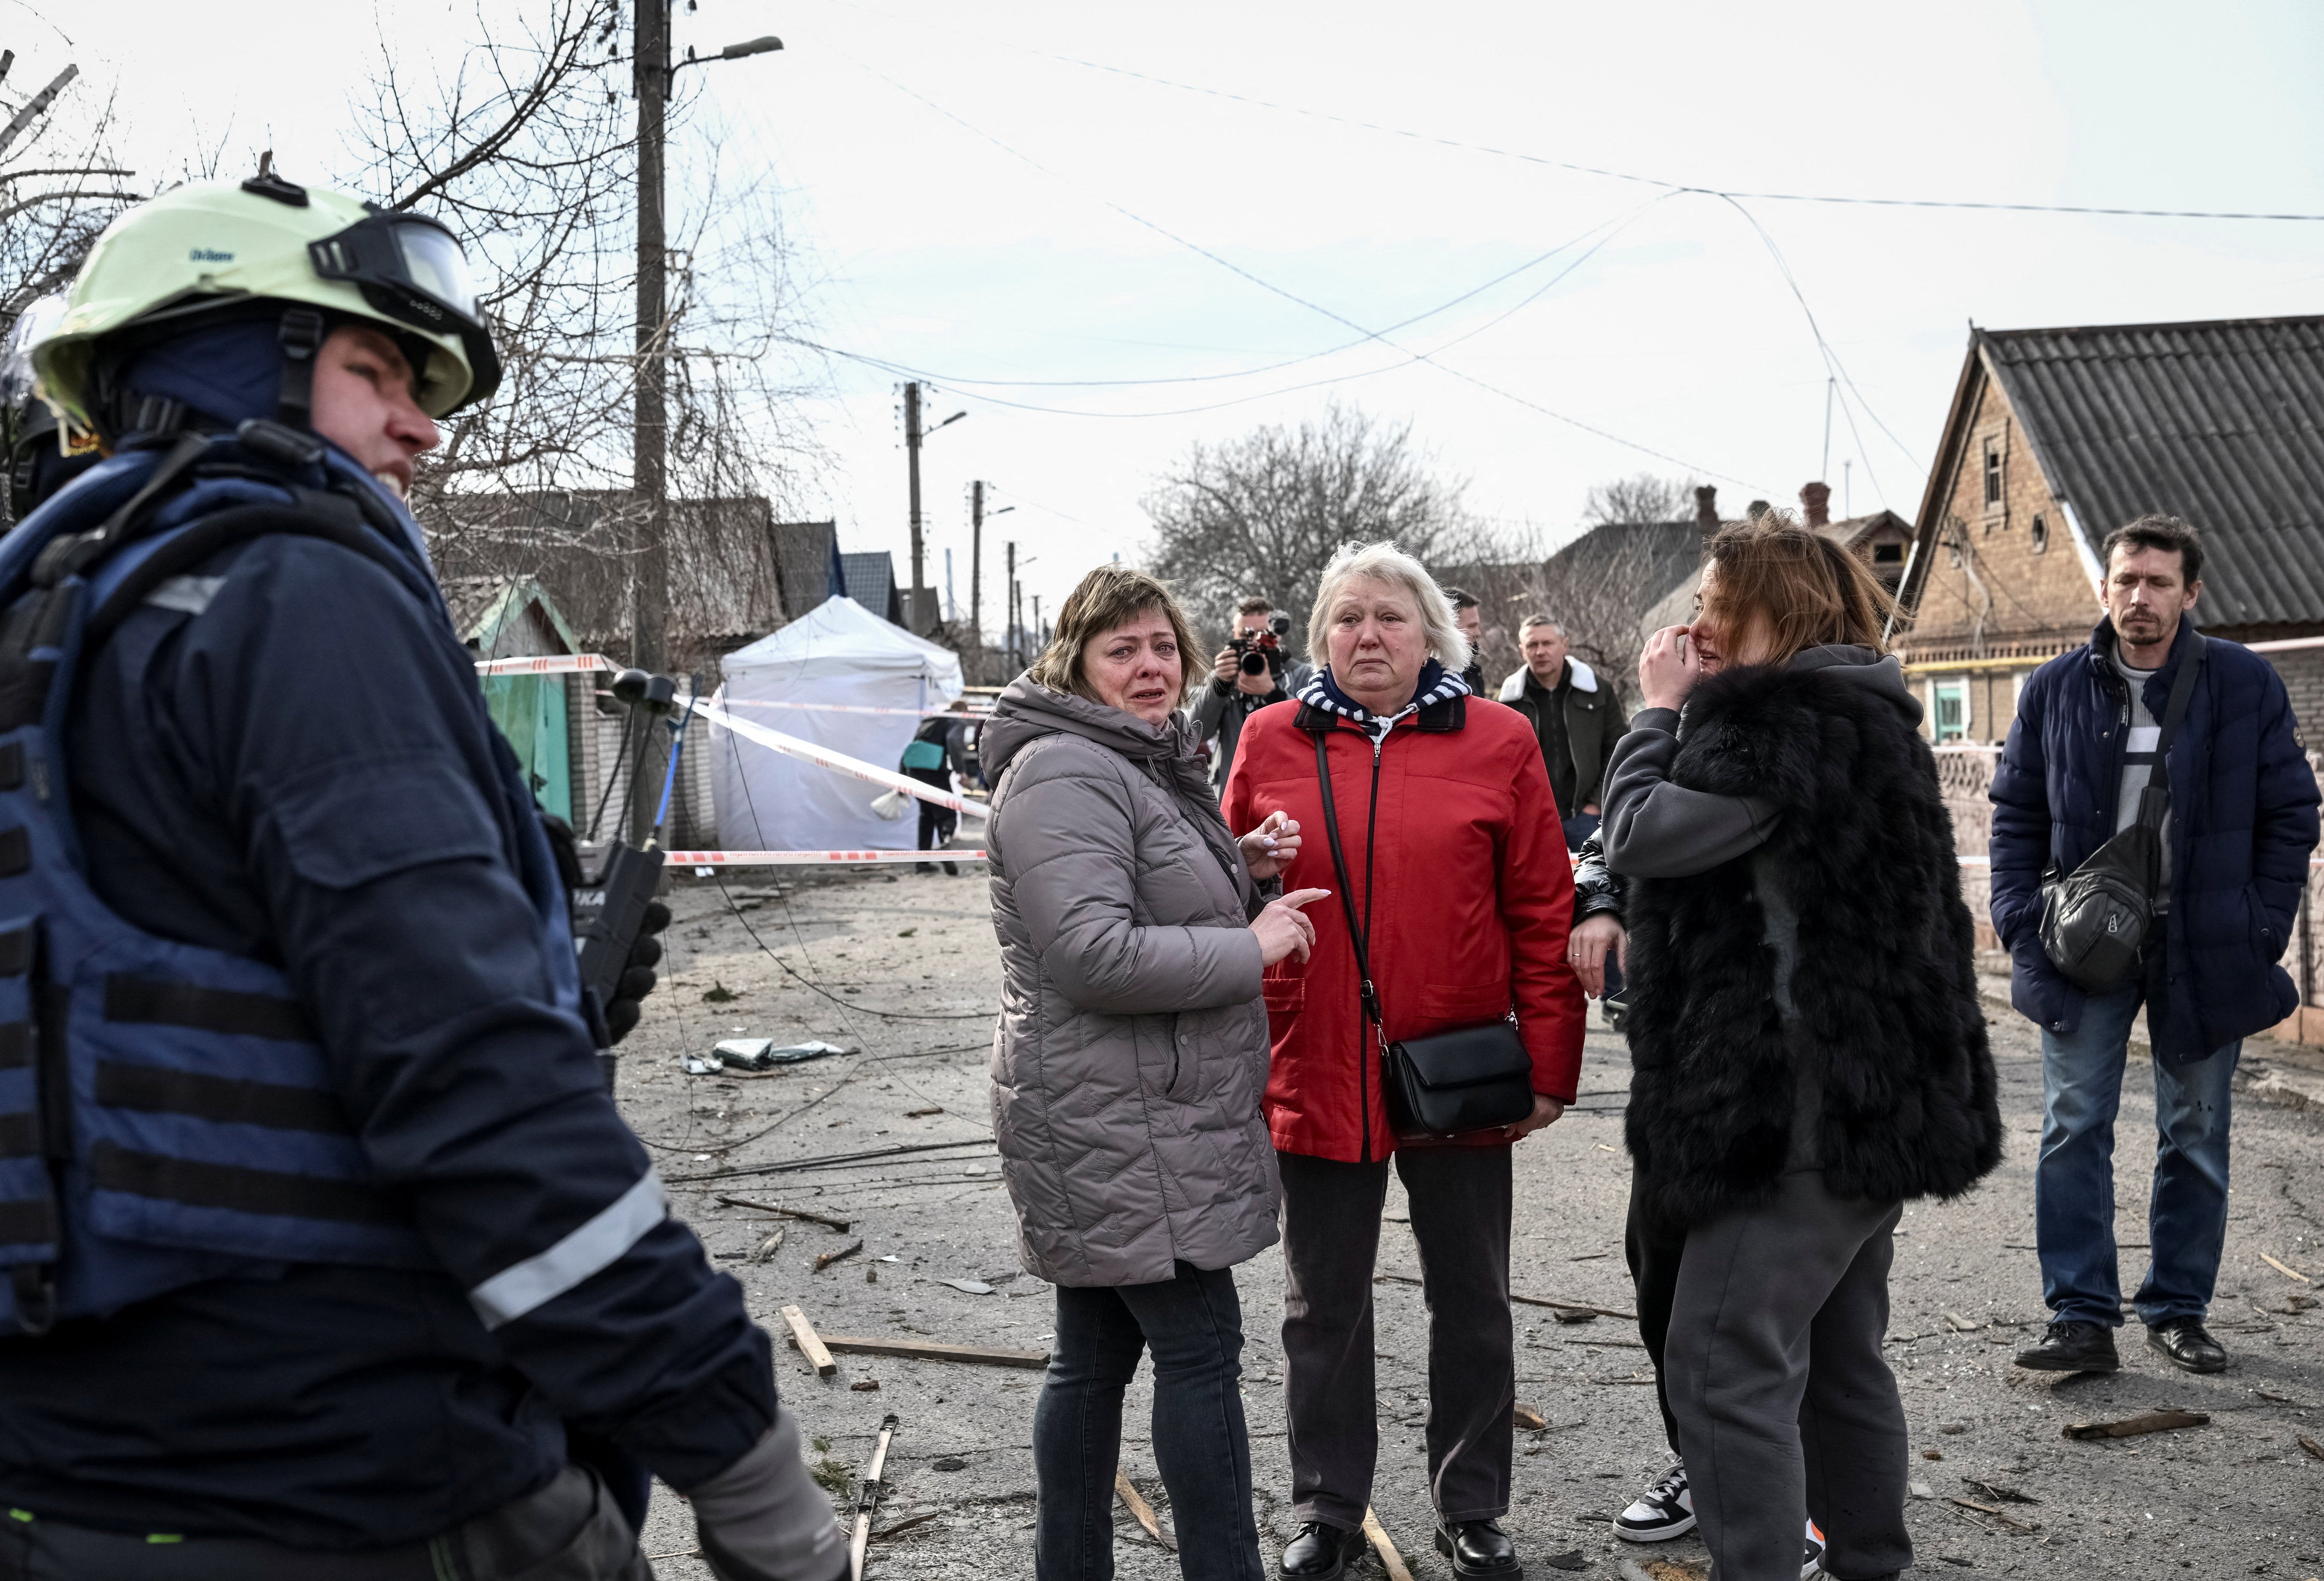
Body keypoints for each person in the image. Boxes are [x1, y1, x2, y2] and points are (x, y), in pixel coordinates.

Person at [0, 179, 840, 1580]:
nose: (425, 428)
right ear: (231, 360)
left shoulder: (50, 622)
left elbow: (143, 1009)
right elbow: (477, 1093)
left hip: (68, 1487)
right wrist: (744, 1463)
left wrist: (552, 980)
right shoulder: (294, 591)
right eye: (375, 370)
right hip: (356, 1478)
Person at [1602, 514, 2002, 1581]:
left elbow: (1639, 832)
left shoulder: (1785, 721)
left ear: (1774, 609)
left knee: (1722, 1363)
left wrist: (1655, 711)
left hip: (1793, 1109)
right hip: (1873, 1097)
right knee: (1834, 1358)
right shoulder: (1873, 712)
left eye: (1720, 604)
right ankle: (1866, 1559)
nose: (1702, 625)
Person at [1222, 541, 1584, 1581]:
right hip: (1315, 1059)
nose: (1367, 636)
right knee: (1320, 1304)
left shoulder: (1499, 739)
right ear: (1319, 636)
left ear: (1434, 632)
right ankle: (1329, 1509)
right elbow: (1224, 901)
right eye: (1346, 618)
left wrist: (1551, 1062)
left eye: (1389, 616)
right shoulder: (1267, 738)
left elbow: (1540, 907)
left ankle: (1472, 1504)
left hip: (1457, 1064)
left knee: (1472, 1296)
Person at [981, 563, 1328, 1581]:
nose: (1149, 667)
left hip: (1125, 1105)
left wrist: (1237, 860)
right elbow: (1090, 952)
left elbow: (1136, 881)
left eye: (1162, 646)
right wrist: (1254, 944)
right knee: (1198, 1352)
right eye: (1120, 649)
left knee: (1091, 1360)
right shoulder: (1062, 770)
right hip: (1118, 1116)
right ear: (1074, 662)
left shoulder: (1124, 761)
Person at [1992, 515, 2319, 1378]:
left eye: (2158, 583)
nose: (2140, 598)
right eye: (2126, 581)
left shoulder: (2243, 684)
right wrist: (2021, 919)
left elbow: (2291, 812)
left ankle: (2178, 1309)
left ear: (2190, 592)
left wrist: (2259, 923)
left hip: (2206, 943)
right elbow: (2016, 814)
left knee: (2195, 1133)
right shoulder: (2054, 688)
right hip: (2084, 943)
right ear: (2103, 588)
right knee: (2072, 1127)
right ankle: (2079, 1316)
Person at [1496, 615, 1623, 847]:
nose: (1540, 651)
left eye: (1548, 643)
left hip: (1587, 817)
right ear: (1522, 651)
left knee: (1591, 882)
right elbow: (1501, 764)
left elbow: (1617, 748)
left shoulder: (1597, 690)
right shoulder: (1509, 702)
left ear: (1564, 645)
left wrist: (1597, 804)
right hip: (1533, 821)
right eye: (1533, 645)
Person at [1193, 596, 1296, 793]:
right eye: (1246, 635)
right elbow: (1196, 734)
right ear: (1235, 635)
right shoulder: (1225, 676)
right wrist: (1220, 684)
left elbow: (1310, 732)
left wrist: (1272, 693)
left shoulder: (1299, 674)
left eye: (1262, 635)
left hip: (1284, 791)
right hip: (1232, 793)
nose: (1255, 644)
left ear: (1277, 636)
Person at [902, 698, 972, 874]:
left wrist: (902, 777)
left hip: (914, 770)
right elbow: (953, 741)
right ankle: (945, 846)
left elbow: (912, 747)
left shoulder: (930, 720)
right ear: (963, 711)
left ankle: (923, 864)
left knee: (927, 815)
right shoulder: (955, 721)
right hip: (933, 771)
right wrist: (961, 771)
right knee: (947, 811)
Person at [1444, 586, 1486, 694]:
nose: (1478, 633)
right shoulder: (1431, 678)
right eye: (1472, 626)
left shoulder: (1473, 672)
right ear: (1449, 627)